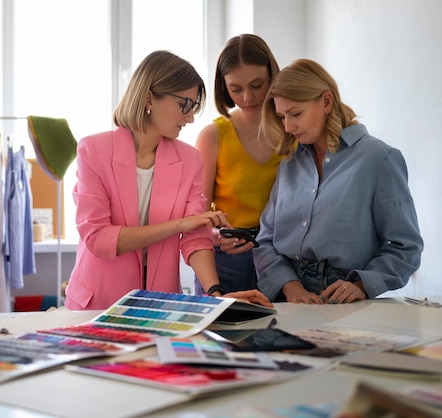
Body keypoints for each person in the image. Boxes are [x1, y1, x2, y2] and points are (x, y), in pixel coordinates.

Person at [64, 50, 273, 310]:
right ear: (149, 97)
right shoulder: (93, 150)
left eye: (194, 107)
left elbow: (195, 237)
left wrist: (215, 294)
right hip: (98, 304)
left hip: (161, 304)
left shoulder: (190, 160)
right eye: (184, 104)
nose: (190, 117)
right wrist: (181, 223)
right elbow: (99, 238)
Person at [254, 58, 423, 304]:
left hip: (345, 299)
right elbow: (266, 239)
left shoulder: (378, 158)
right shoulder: (289, 164)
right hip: (287, 296)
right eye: (281, 116)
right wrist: (291, 288)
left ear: (326, 101)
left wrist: (361, 285)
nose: (288, 126)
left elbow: (405, 247)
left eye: (296, 114)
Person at [194, 34, 284, 295]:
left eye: (257, 85)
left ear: (272, 77)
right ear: (223, 87)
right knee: (219, 334)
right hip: (225, 257)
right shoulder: (213, 135)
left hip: (280, 257)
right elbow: (196, 215)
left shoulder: (292, 130)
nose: (248, 97)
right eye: (236, 89)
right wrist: (217, 236)